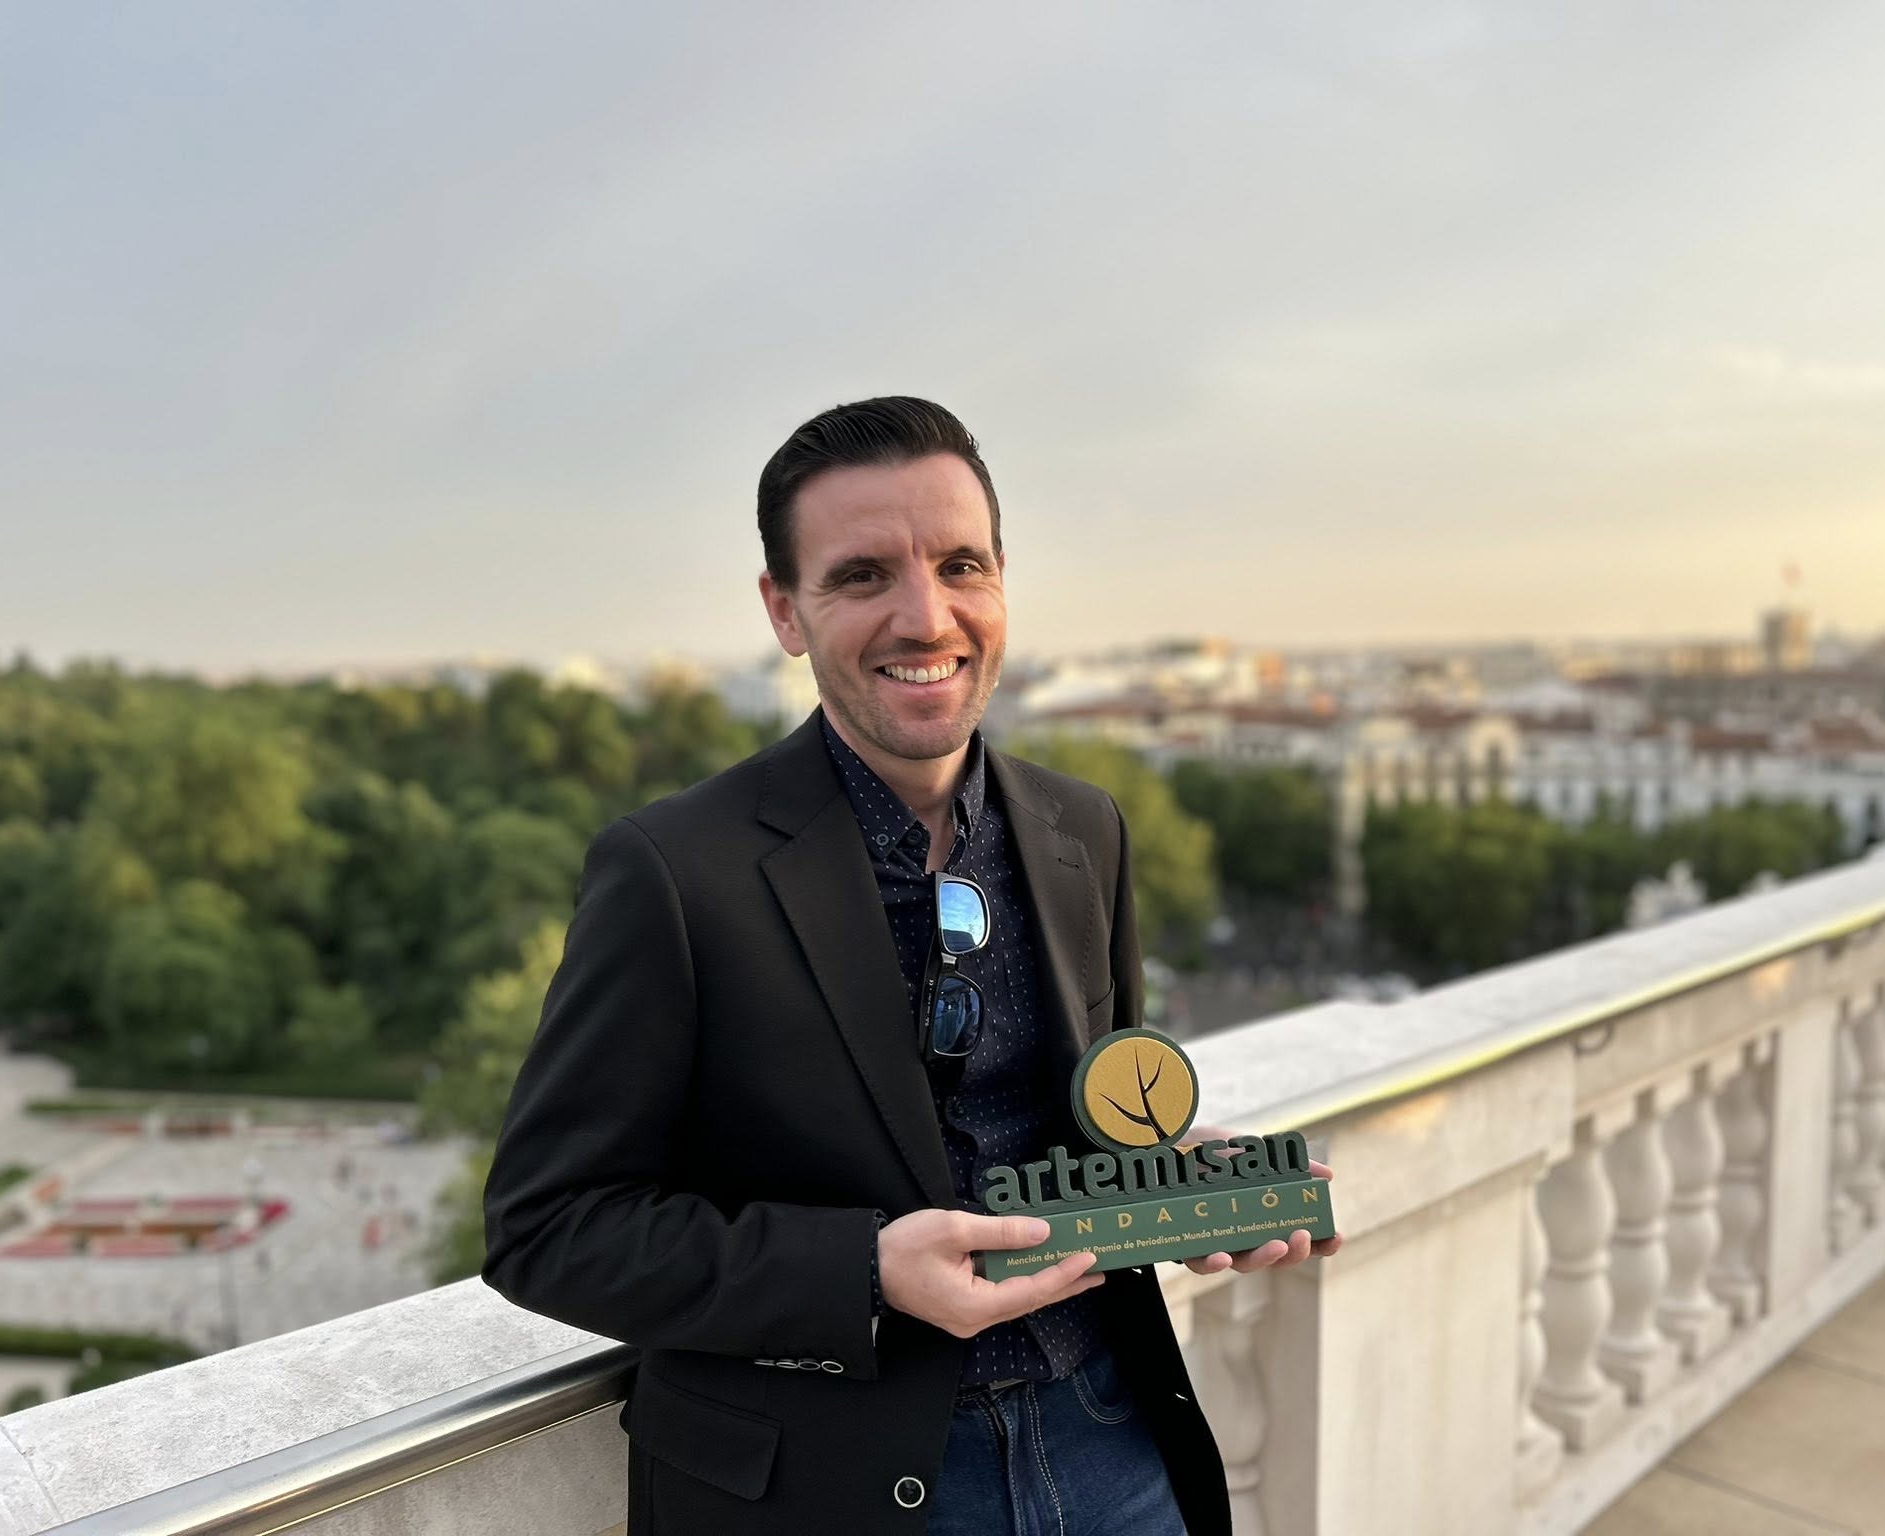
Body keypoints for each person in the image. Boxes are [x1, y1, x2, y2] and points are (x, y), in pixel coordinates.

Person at [482, 397, 1339, 1534]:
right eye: (861, 576)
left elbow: (1080, 1131)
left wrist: (1177, 1186)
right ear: (783, 612)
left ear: (1000, 583)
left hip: (1109, 1443)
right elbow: (549, 1228)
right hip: (828, 1488)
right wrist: (862, 1273)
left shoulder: (1083, 830)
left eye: (959, 565)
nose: (923, 615)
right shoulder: (673, 872)